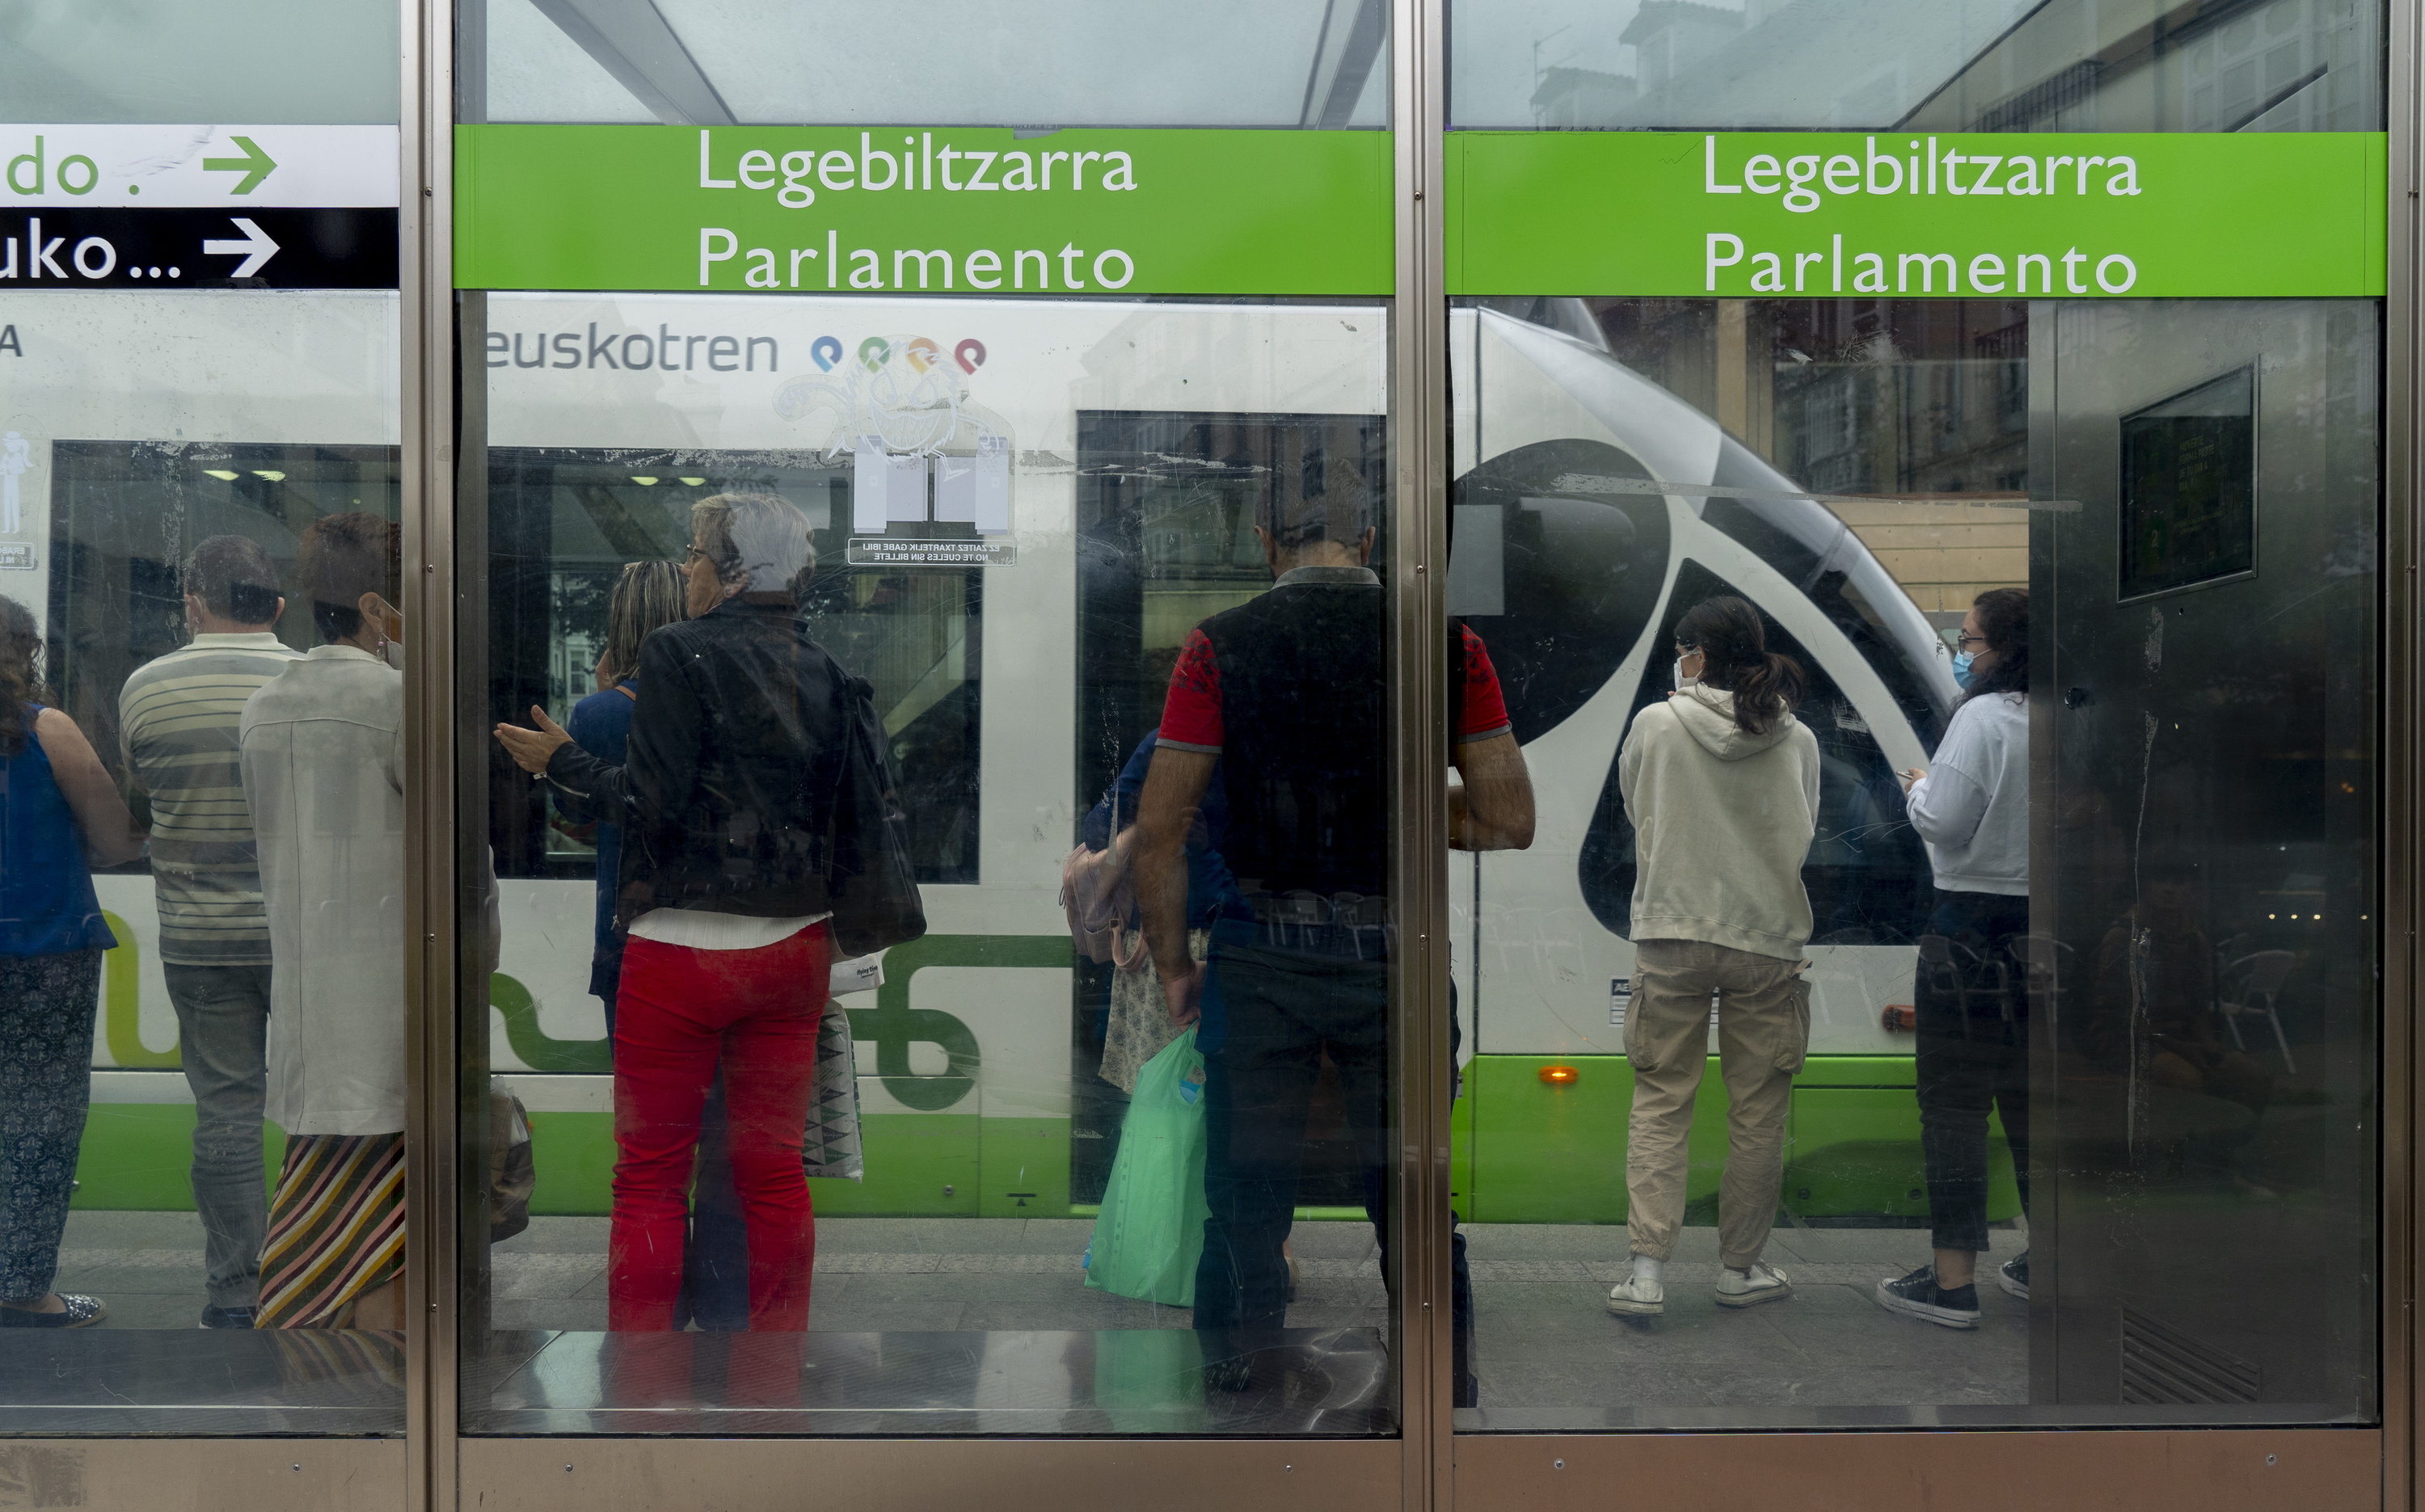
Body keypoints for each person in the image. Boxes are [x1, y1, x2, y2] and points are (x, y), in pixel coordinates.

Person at [1132, 455, 1534, 1395]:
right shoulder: (1450, 645)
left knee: (1243, 1202)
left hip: (1260, 959)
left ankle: (1238, 1385)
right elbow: (1507, 817)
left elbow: (1160, 831)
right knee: (1413, 1199)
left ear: (1262, 541)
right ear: (1370, 539)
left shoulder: (1215, 647)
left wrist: (1175, 964)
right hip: (1396, 962)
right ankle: (1439, 1391)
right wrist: (1395, 805)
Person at [497, 494, 848, 1332]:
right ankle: (770, 1367)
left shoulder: (675, 652)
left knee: (651, 1176)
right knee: (771, 1172)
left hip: (677, 950)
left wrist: (565, 762)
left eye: (694, 553)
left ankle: (645, 1371)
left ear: (732, 572)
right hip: (791, 949)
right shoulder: (822, 668)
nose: (686, 567)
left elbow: (651, 803)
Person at [1605, 595, 1820, 1318]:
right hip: (1767, 939)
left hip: (1672, 930)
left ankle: (1645, 1274)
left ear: (1697, 654)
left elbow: (1636, 808)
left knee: (1662, 1100)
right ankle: (1740, 1268)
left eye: (1680, 648)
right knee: (1759, 1112)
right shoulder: (1797, 737)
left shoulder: (1656, 724)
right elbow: (1806, 826)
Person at [117, 534, 302, 1329]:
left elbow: (143, 799)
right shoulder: (305, 679)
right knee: (325, 1106)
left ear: (192, 603)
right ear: (279, 605)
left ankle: (236, 1291)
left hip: (198, 936)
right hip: (304, 935)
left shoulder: (145, 689)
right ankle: (321, 1275)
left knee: (226, 1111)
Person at [242, 512, 411, 1329]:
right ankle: (379, 1378)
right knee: (387, 1224)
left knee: (323, 1201)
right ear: (377, 608)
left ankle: (318, 1361)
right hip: (393, 997)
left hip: (309, 996)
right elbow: (458, 865)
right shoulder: (401, 702)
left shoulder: (264, 704)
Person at [1875, 586, 2032, 1330]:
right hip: (2049, 927)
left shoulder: (1983, 718)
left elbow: (1942, 820)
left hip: (1967, 926)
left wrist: (1919, 789)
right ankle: (2049, 1260)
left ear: (2004, 648)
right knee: (2038, 1100)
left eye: (1969, 642)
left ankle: (1952, 1283)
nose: (1964, 655)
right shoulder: (2075, 716)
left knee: (1956, 1105)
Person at [0, 597, 143, 1329]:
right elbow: (118, 839)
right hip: (44, 951)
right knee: (38, 1119)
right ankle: (23, 1289)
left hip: (43, 950)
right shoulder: (46, 730)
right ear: (27, 650)